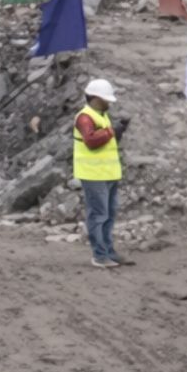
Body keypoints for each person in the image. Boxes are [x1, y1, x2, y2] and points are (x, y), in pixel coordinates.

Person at [74, 78, 128, 268]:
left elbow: (106, 142)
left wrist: (117, 132)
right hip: (93, 174)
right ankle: (99, 255)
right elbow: (90, 140)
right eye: (107, 99)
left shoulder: (101, 115)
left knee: (109, 214)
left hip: (109, 173)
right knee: (98, 215)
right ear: (96, 98)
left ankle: (108, 252)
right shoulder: (85, 117)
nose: (110, 103)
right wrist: (112, 131)